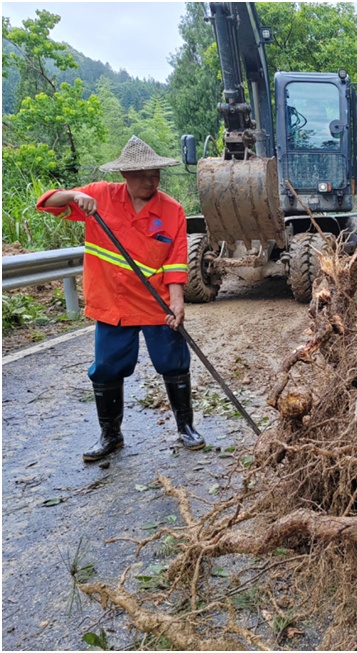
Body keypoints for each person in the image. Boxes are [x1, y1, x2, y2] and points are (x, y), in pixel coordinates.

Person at [36, 136, 206, 461]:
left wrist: (177, 301)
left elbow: (175, 260)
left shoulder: (172, 211)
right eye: (141, 174)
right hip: (112, 305)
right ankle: (110, 435)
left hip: (155, 305)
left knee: (173, 363)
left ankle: (185, 427)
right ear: (124, 175)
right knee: (106, 369)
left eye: (154, 173)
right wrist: (74, 195)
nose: (149, 180)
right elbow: (47, 202)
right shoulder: (99, 196)